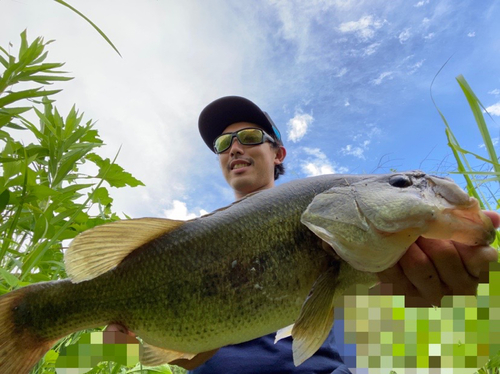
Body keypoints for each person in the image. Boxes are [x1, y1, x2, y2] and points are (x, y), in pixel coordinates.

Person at [110, 96, 500, 373]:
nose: (234, 149)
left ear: (277, 152)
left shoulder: (354, 231)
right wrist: (135, 342)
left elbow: (376, 314)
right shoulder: (174, 250)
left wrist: (422, 287)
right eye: (223, 144)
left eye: (248, 137)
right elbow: (183, 356)